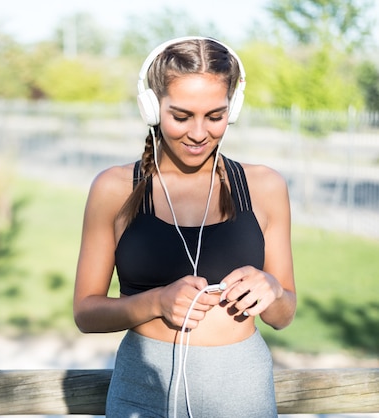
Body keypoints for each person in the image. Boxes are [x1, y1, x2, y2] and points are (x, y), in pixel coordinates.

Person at [73, 36, 296, 418]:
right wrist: (156, 302)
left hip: (243, 388)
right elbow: (85, 313)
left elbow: (283, 315)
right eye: (181, 116)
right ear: (151, 107)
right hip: (142, 390)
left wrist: (273, 290)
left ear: (233, 109)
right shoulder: (112, 188)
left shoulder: (266, 186)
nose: (198, 133)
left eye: (215, 116)